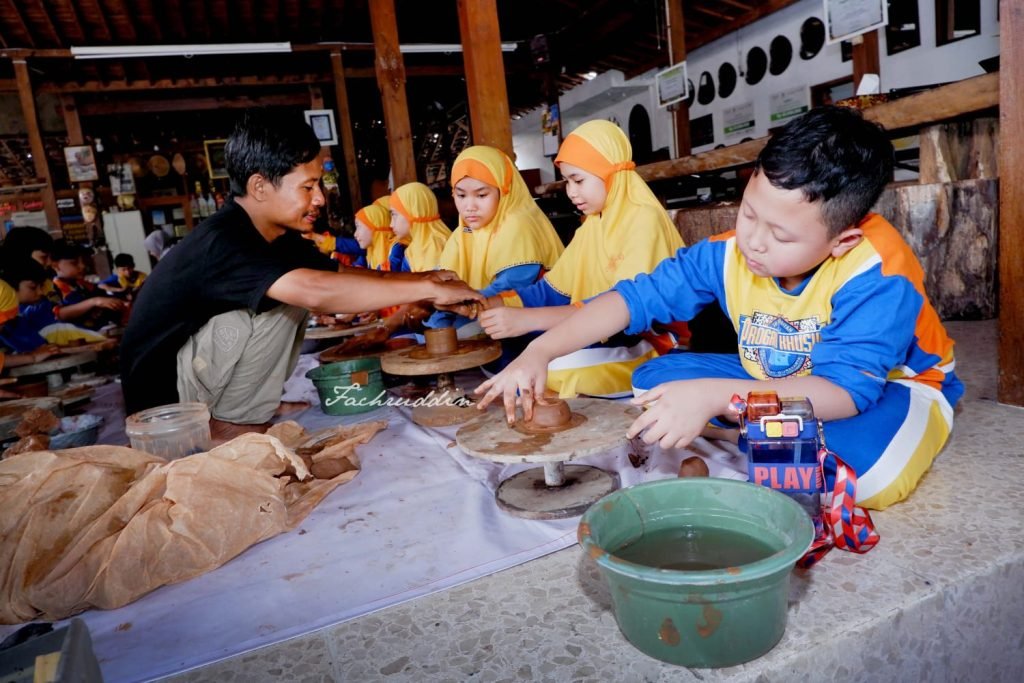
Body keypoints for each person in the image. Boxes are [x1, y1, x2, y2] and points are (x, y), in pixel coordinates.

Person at [477, 106, 963, 511]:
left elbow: (844, 393)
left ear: (843, 239)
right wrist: (539, 352)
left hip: (887, 386)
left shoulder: (878, 272)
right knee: (652, 382)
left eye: (781, 235)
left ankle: (737, 431)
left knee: (865, 476)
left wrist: (713, 397)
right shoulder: (729, 251)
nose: (753, 240)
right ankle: (748, 429)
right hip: (773, 376)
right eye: (750, 213)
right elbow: (632, 299)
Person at [120, 109, 481, 439]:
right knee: (285, 299)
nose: (320, 198)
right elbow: (317, 292)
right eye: (307, 187)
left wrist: (433, 282)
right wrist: (426, 288)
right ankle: (230, 427)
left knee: (293, 290)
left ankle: (246, 411)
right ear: (260, 186)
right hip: (165, 413)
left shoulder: (278, 236)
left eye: (318, 186)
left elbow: (346, 276)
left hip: (188, 387)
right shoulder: (225, 239)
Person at [472, 120, 684, 397]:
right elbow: (552, 290)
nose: (571, 192)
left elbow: (626, 310)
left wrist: (528, 320)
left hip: (647, 339)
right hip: (594, 329)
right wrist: (491, 303)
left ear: (611, 173)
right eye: (567, 181)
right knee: (507, 350)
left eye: (579, 180)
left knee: (556, 366)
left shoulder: (644, 219)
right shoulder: (593, 224)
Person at [432, 146, 564, 337]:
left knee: (464, 338)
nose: (469, 207)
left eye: (481, 195)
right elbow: (443, 284)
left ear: (504, 191)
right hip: (484, 314)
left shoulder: (517, 223)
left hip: (529, 323)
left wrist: (459, 307)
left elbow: (510, 287)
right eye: (461, 195)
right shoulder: (464, 232)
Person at [0, 258, 105, 353]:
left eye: (41, 287)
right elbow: (35, 349)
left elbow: (43, 346)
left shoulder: (29, 313)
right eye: (32, 287)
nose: (40, 292)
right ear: (9, 287)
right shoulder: (8, 321)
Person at [50, 240, 125, 329]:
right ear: (56, 266)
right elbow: (59, 314)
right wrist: (94, 302)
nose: (82, 266)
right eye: (74, 263)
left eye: (83, 262)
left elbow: (103, 297)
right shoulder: (53, 287)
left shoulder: (84, 284)